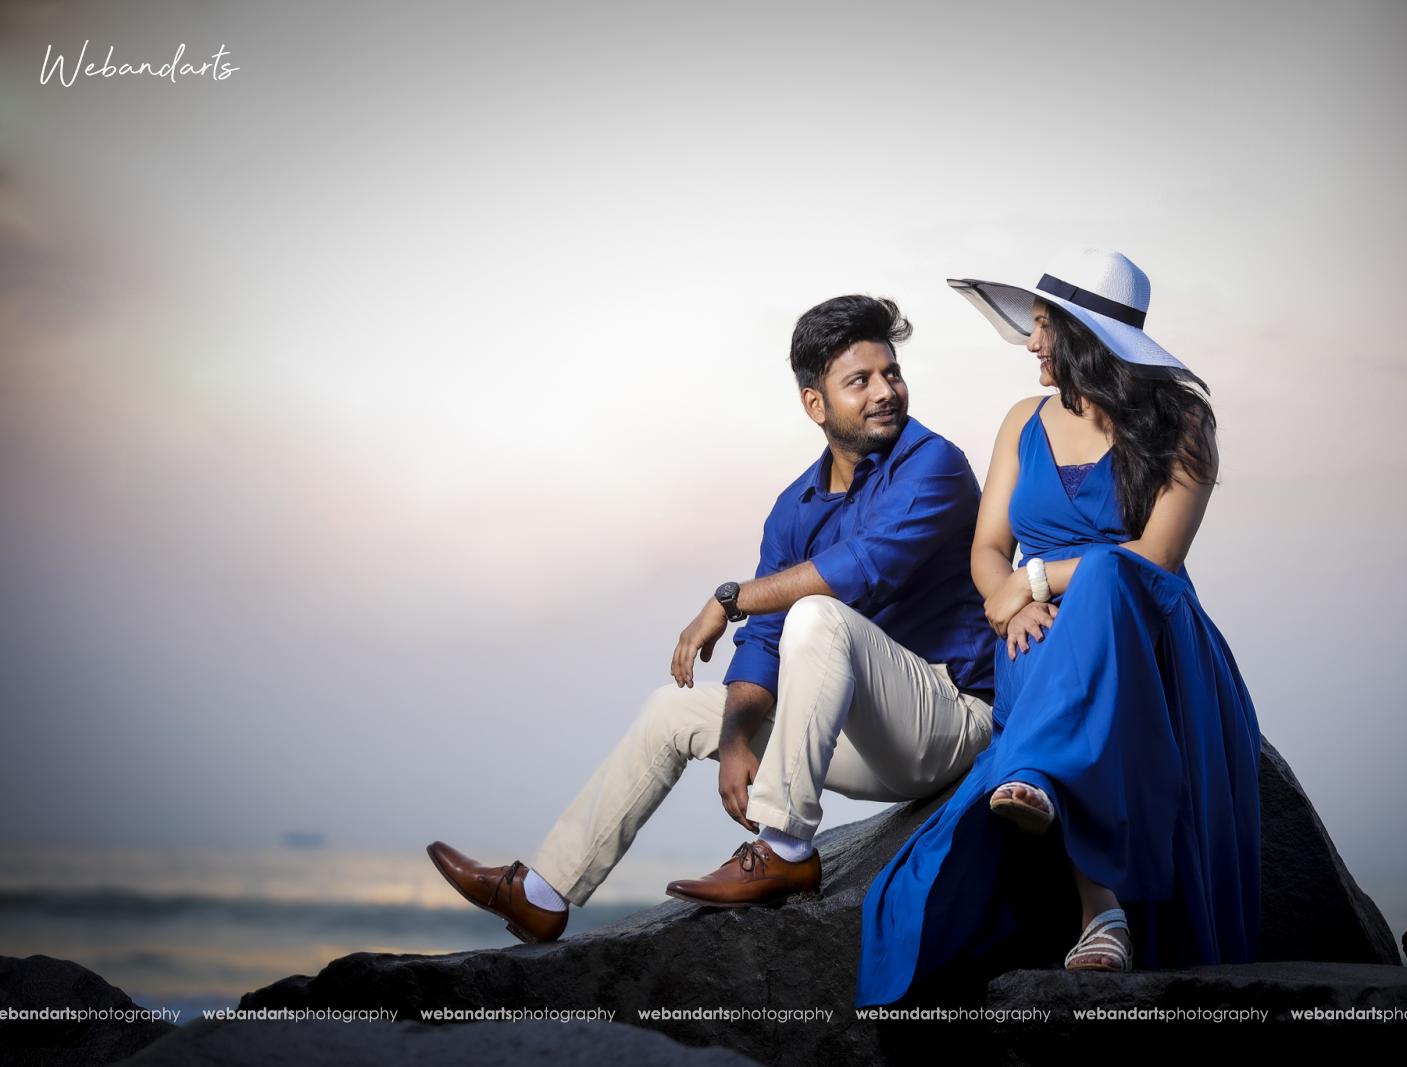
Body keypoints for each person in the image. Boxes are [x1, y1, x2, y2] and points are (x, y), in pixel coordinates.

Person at [427, 295, 997, 942]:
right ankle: (542, 892)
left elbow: (862, 568)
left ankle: (785, 848)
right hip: (867, 738)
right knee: (671, 711)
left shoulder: (934, 464)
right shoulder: (795, 506)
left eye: (891, 373)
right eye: (859, 380)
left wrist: (728, 599)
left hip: (952, 719)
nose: (885, 391)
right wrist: (735, 739)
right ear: (815, 404)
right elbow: (766, 641)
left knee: (817, 614)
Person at [856, 246, 1262, 1007]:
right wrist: (1008, 598)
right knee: (1060, 629)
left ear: (1086, 337)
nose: (1031, 342)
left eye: (1044, 327)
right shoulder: (1023, 421)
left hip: (1144, 629)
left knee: (1105, 576)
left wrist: (1035, 579)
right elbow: (987, 549)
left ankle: (1042, 783)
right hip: (1034, 631)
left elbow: (1157, 556)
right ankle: (1099, 908)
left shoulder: (1183, 422)